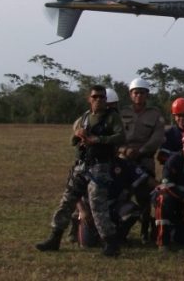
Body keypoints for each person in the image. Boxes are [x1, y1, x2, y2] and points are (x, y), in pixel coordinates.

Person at [36, 85, 125, 257]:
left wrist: (97, 139)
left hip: (100, 166)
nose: (98, 100)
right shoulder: (84, 118)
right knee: (67, 201)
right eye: (95, 97)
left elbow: (121, 137)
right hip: (81, 166)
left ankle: (110, 243)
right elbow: (73, 141)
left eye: (102, 97)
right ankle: (55, 237)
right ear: (89, 99)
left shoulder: (112, 118)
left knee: (97, 205)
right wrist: (78, 135)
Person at [119, 77, 165, 243]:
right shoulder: (121, 113)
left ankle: (145, 230)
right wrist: (124, 150)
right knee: (121, 195)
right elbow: (116, 135)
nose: (139, 95)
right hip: (123, 159)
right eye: (136, 92)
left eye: (142, 93)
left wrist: (141, 150)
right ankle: (121, 229)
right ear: (130, 94)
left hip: (145, 159)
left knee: (144, 197)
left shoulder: (155, 114)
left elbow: (157, 137)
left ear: (147, 95)